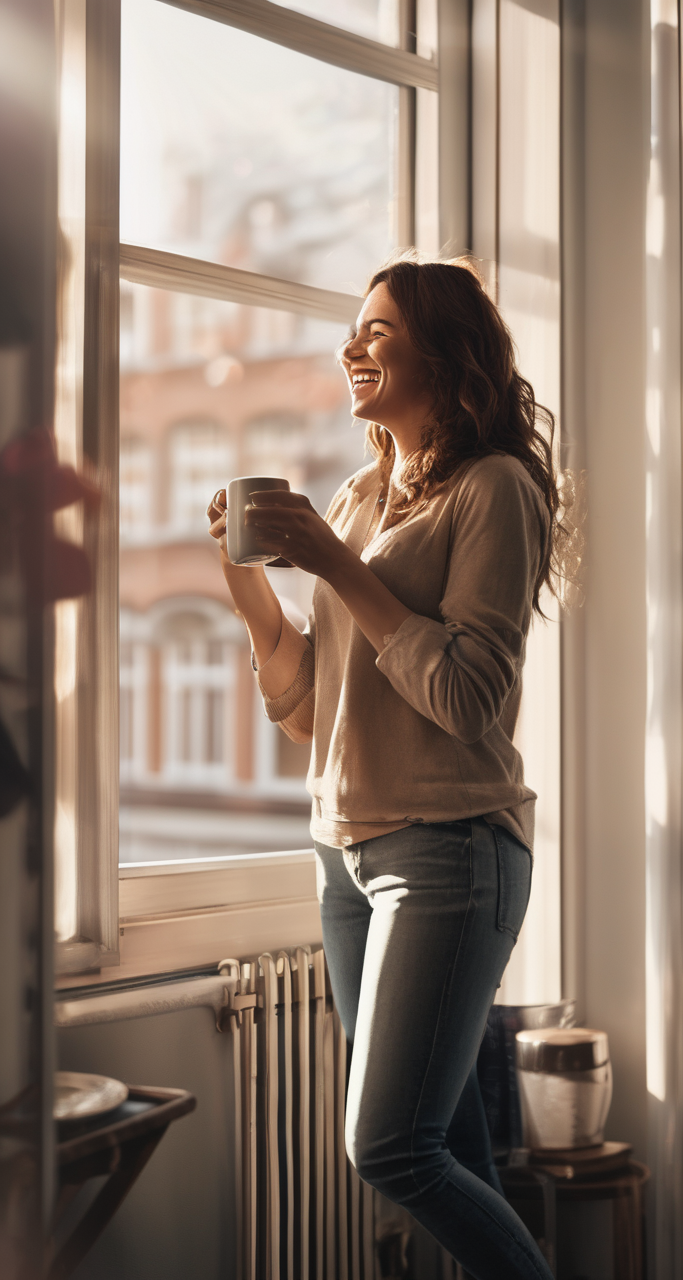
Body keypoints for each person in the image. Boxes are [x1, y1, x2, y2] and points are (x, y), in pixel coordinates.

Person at [208, 257, 567, 1280]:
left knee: (390, 1148)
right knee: (447, 1147)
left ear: (444, 352)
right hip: (345, 858)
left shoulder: (497, 490)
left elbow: (467, 695)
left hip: (450, 850)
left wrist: (334, 565)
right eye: (353, 330)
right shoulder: (360, 495)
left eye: (378, 330)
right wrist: (250, 592)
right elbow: (311, 710)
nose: (351, 347)